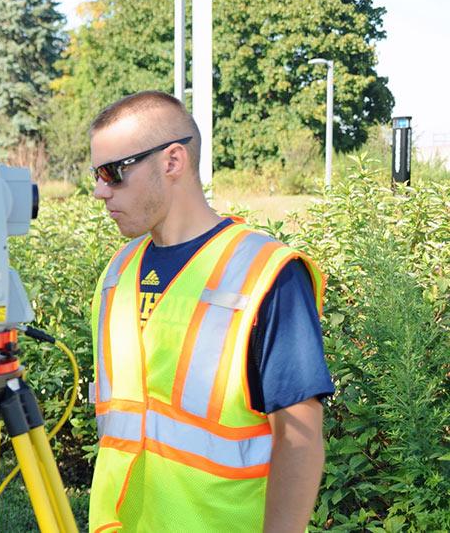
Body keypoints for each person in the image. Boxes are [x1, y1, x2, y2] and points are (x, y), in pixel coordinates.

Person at [86, 91, 334, 532]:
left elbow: (299, 439)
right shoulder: (117, 272)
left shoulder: (264, 273)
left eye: (112, 173)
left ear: (173, 161)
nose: (99, 191)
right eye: (95, 174)